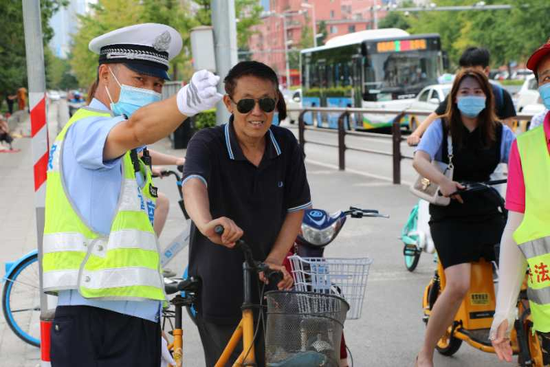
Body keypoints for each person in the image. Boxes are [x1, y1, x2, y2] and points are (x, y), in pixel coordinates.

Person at [42, 23, 221, 367]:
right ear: (105, 74)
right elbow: (138, 128)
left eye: (157, 84)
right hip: (94, 315)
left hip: (131, 315)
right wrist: (184, 103)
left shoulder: (126, 147)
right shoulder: (86, 128)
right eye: (139, 80)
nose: (150, 91)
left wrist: (151, 321)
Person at [182, 61, 311, 367]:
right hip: (218, 284)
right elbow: (193, 184)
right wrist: (206, 223)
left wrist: (276, 258)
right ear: (229, 103)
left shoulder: (285, 143)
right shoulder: (207, 143)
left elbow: (296, 208)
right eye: (246, 103)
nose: (257, 112)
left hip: (270, 283)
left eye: (267, 103)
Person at [412, 69, 515, 367]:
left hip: (488, 209)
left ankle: (520, 334)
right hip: (449, 213)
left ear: (488, 97)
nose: (472, 97)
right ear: (455, 98)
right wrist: (443, 182)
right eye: (465, 92)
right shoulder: (441, 128)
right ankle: (425, 353)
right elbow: (420, 160)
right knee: (457, 284)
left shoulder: (500, 132)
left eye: (478, 92)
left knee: (521, 272)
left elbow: (522, 163)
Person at [490, 40, 550, 365]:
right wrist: (504, 311)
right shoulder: (525, 149)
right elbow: (516, 230)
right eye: (545, 78)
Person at [408, 47, 517, 146]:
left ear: (486, 71)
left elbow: (509, 134)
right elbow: (436, 115)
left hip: (491, 156)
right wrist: (416, 134)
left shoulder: (501, 95)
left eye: (473, 71)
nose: (468, 76)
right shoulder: (457, 94)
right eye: (465, 71)